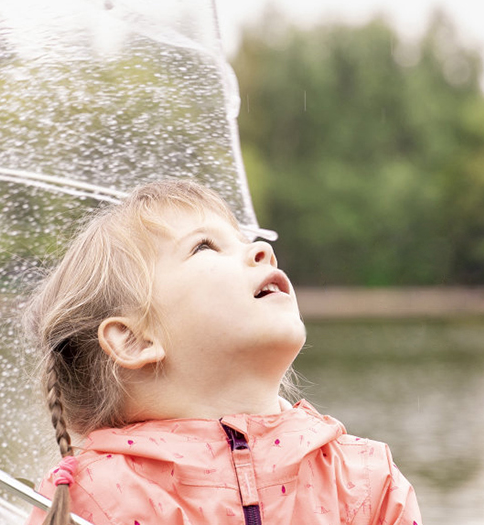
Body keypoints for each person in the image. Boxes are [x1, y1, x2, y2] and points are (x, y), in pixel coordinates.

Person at [22, 180, 421, 525]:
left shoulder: (365, 481)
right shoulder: (95, 500)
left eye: (246, 241)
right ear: (135, 339)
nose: (262, 250)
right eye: (205, 247)